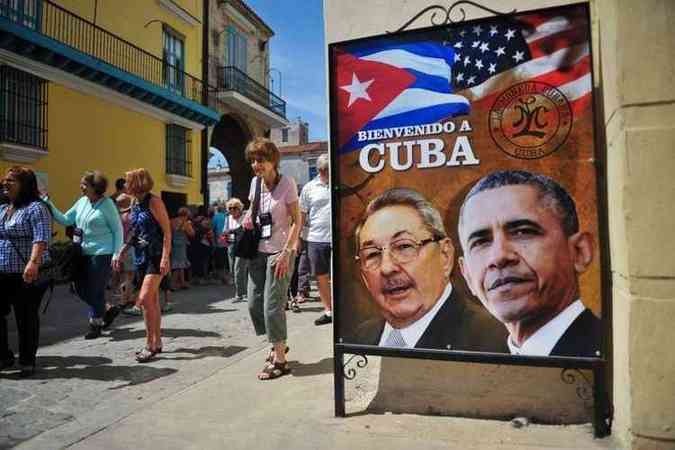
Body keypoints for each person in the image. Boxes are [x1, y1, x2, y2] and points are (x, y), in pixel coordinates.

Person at [457, 170, 601, 358]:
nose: (499, 257)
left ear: (579, 252)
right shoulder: (480, 366)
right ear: (467, 274)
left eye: (522, 232)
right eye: (480, 242)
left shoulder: (617, 357)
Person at [353, 188, 506, 351]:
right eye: (372, 254)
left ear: (445, 256)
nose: (387, 268)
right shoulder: (360, 337)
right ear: (364, 276)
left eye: (404, 246)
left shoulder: (496, 340)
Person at [243, 138, 300, 380]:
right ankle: (279, 342)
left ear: (273, 160)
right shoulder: (255, 183)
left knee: (272, 306)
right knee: (254, 305)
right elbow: (253, 209)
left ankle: (280, 359)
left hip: (280, 252)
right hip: (257, 250)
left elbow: (298, 221)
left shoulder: (287, 184)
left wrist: (287, 252)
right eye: (253, 160)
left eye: (261, 160)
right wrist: (247, 216)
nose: (257, 164)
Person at [46, 171, 123, 339]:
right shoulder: (81, 201)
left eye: (84, 184)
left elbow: (118, 229)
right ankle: (107, 309)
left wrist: (117, 253)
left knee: (95, 289)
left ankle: (95, 325)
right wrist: (48, 203)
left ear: (95, 187)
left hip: (102, 252)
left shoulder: (107, 204)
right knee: (78, 287)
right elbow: (66, 219)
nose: (81, 186)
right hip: (81, 251)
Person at [0, 167, 52, 377]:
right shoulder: (3, 209)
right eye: (5, 179)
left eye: (11, 180)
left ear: (25, 184)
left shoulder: (36, 208)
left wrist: (33, 262)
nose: (5, 182)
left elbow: (41, 237)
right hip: (2, 271)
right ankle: (3, 356)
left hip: (25, 272)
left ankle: (27, 361)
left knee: (26, 317)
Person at [115, 168, 171, 362]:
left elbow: (167, 232)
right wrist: (123, 249)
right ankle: (157, 342)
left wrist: (165, 257)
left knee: (145, 299)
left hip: (156, 256)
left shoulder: (154, 202)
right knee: (151, 302)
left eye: (127, 182)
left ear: (137, 183)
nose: (125, 185)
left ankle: (149, 345)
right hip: (141, 256)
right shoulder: (135, 203)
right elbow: (135, 231)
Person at [298, 154, 333, 325]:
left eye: (329, 169)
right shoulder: (309, 188)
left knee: (342, 276)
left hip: (338, 238)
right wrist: (298, 238)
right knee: (321, 276)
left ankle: (343, 310)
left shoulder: (339, 182)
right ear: (319, 170)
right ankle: (329, 311)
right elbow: (302, 215)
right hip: (316, 238)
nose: (327, 172)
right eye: (324, 170)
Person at [223, 198, 248, 301]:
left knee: (238, 269)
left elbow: (245, 229)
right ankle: (244, 292)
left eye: (235, 208)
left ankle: (240, 294)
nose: (232, 210)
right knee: (233, 269)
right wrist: (226, 234)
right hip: (231, 245)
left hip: (242, 246)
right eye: (230, 208)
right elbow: (224, 231)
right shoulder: (228, 218)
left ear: (240, 208)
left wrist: (232, 231)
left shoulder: (244, 217)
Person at [170, 207, 194, 290]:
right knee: (179, 265)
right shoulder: (186, 222)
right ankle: (172, 284)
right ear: (186, 215)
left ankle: (182, 283)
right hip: (181, 245)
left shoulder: (172, 221)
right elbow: (191, 233)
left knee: (180, 264)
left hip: (174, 244)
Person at [211, 204, 228, 284]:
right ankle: (226, 276)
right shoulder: (227, 216)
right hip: (227, 241)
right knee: (226, 260)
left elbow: (213, 229)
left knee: (219, 260)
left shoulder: (215, 217)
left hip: (219, 241)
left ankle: (221, 277)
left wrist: (213, 241)